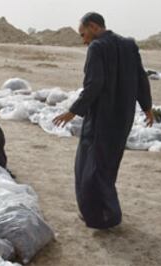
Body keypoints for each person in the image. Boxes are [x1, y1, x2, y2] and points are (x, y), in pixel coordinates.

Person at [53, 12, 153, 229]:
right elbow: (140, 77)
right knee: (107, 167)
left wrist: (73, 111)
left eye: (83, 34)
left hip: (100, 120)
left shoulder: (97, 48)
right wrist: (147, 107)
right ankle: (106, 213)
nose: (84, 40)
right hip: (123, 119)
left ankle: (102, 217)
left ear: (93, 27)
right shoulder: (129, 45)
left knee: (87, 169)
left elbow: (94, 84)